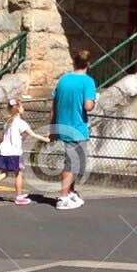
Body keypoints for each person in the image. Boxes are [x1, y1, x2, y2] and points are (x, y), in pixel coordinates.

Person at [51, 50, 97, 210]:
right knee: (72, 164)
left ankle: (70, 192)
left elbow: (54, 105)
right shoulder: (88, 82)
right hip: (77, 127)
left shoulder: (63, 80)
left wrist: (52, 128)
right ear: (88, 64)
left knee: (75, 162)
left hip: (62, 125)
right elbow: (88, 106)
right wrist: (94, 100)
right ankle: (63, 197)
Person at [0, 98, 49, 205]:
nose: (23, 108)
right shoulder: (21, 123)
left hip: (4, 151)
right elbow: (32, 134)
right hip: (14, 152)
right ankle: (19, 197)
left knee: (4, 172)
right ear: (18, 109)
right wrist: (46, 139)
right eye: (22, 106)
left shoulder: (7, 122)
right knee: (18, 173)